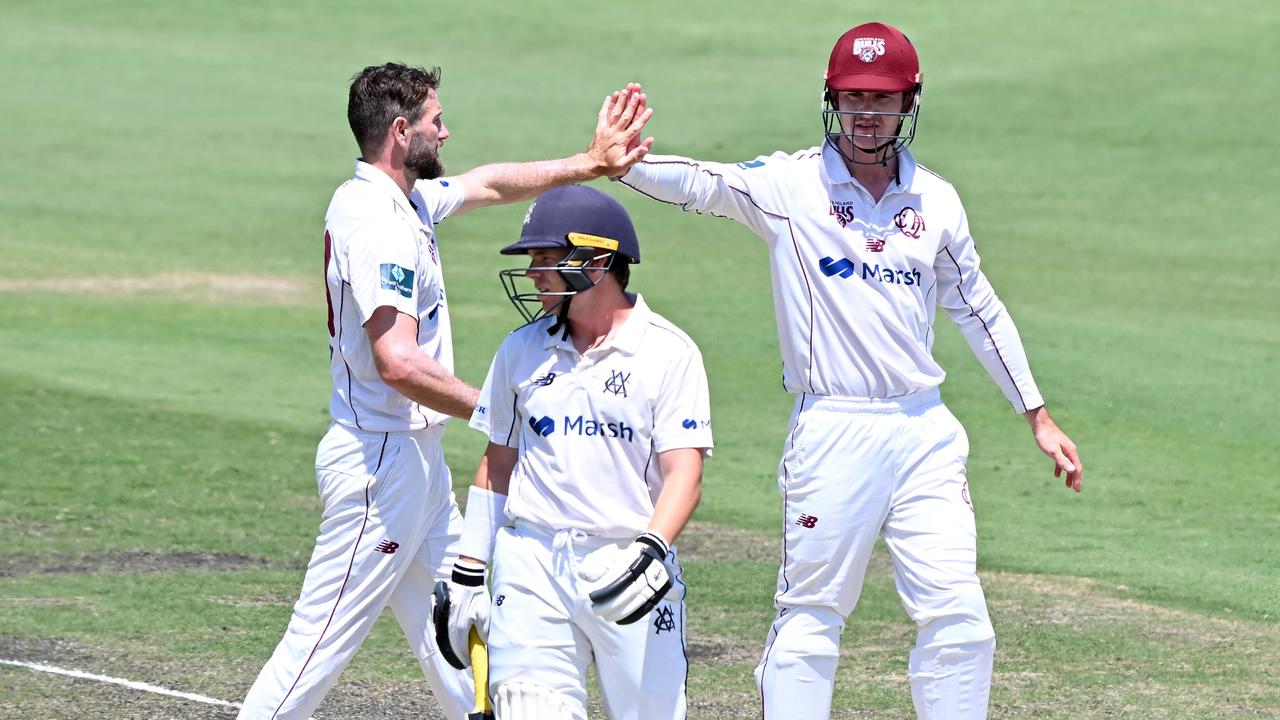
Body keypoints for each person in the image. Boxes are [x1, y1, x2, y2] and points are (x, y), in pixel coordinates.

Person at [611, 22, 1084, 720]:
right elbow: (705, 185)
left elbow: (979, 309)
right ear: (832, 99)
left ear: (910, 104)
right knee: (811, 620)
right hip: (833, 427)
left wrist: (1037, 416)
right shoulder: (791, 186)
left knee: (962, 621)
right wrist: (624, 164)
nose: (868, 114)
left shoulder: (938, 201)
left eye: (884, 99)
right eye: (854, 97)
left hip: (924, 429)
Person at [236, 63, 654, 720]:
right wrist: (501, 410)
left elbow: (489, 184)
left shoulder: (402, 200)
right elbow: (396, 362)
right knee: (312, 652)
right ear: (401, 133)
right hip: (382, 470)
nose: (447, 131)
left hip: (415, 466)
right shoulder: (378, 224)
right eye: (436, 122)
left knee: (457, 632)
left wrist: (590, 162)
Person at [432, 184, 713, 720]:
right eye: (531, 258)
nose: (534, 272)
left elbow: (686, 472)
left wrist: (651, 551)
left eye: (546, 257)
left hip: (628, 565)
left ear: (598, 259)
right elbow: (498, 461)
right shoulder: (520, 348)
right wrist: (469, 569)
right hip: (532, 562)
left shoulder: (669, 352)